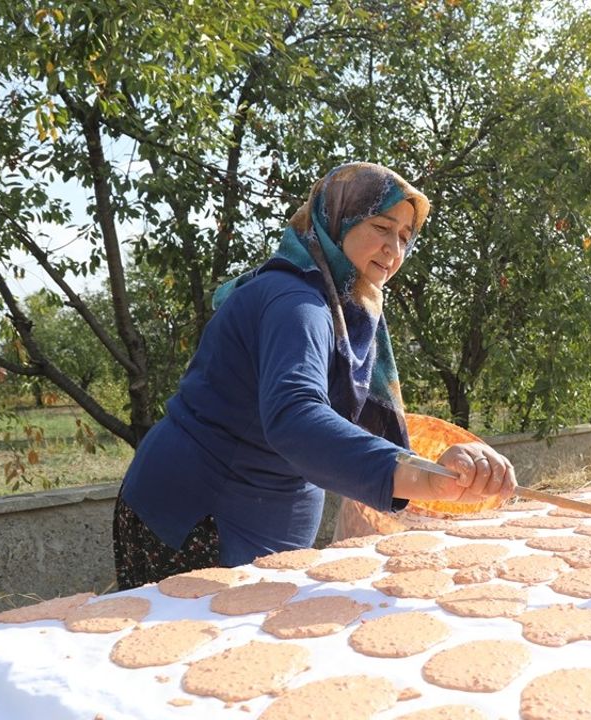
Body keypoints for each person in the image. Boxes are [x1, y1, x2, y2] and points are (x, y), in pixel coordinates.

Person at [112, 162, 516, 590]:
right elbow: (296, 418)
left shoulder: (344, 306)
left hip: (263, 515)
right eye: (381, 226)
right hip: (200, 515)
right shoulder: (296, 303)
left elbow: (338, 424)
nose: (394, 249)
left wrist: (432, 463)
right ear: (337, 219)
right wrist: (423, 477)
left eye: (404, 236)